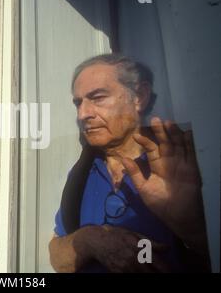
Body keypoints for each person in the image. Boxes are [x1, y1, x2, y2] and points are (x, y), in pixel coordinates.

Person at [49, 54, 210, 273]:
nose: (83, 114)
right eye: (78, 103)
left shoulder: (184, 166)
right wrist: (89, 240)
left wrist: (192, 228)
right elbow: (57, 254)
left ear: (139, 97)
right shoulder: (82, 172)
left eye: (97, 98)